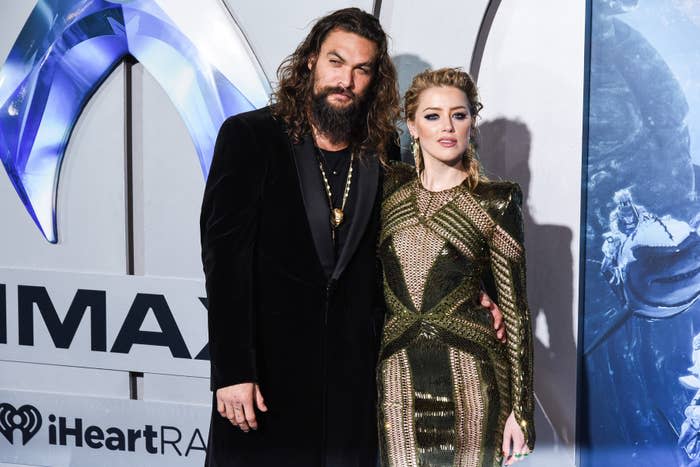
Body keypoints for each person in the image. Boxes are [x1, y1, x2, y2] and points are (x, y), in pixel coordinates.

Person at [201, 8, 505, 465]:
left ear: (374, 78)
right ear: (311, 62)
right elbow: (224, 264)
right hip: (266, 380)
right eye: (336, 62)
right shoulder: (250, 137)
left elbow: (403, 246)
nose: (346, 80)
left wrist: (467, 292)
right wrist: (232, 371)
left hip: (352, 383)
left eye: (361, 69)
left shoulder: (379, 149)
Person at [377, 68, 535, 467]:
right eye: (432, 116)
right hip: (397, 375)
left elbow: (515, 313)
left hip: (473, 379)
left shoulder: (496, 201)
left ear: (471, 122)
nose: (447, 127)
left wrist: (521, 412)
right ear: (411, 126)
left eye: (459, 115)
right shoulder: (387, 188)